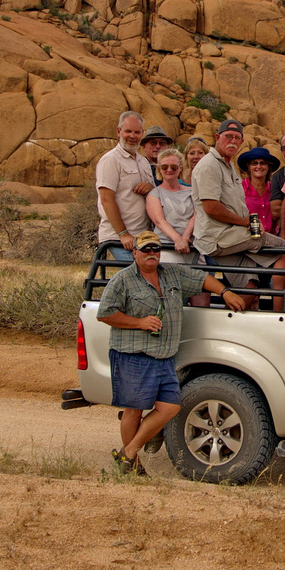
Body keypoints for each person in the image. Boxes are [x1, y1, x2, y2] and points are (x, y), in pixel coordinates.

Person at [96, 231, 248, 475]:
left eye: (155, 249)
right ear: (134, 252)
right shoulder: (122, 280)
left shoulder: (173, 273)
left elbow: (201, 279)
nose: (151, 253)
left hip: (164, 356)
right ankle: (131, 464)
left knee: (170, 408)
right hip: (133, 354)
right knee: (134, 409)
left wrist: (225, 292)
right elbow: (105, 314)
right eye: (145, 249)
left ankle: (129, 451)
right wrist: (139, 323)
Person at [191, 119, 285, 298]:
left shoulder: (228, 166)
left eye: (237, 138)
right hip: (219, 237)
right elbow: (211, 207)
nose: (233, 141)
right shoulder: (209, 165)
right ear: (217, 137)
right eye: (228, 136)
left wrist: (249, 222)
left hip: (233, 236)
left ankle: (236, 321)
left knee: (250, 287)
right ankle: (280, 311)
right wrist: (246, 222)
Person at [94, 110, 157, 256]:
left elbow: (153, 197)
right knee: (135, 276)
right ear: (118, 131)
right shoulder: (111, 160)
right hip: (119, 238)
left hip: (143, 238)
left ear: (142, 133)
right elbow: (106, 200)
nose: (132, 136)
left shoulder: (143, 162)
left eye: (137, 132)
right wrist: (123, 234)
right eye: (128, 131)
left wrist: (151, 188)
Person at [238, 146, 279, 235]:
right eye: (254, 163)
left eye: (263, 163)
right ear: (248, 166)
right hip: (248, 237)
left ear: (268, 166)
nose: (258, 166)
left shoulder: (274, 189)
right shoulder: (240, 188)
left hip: (272, 240)